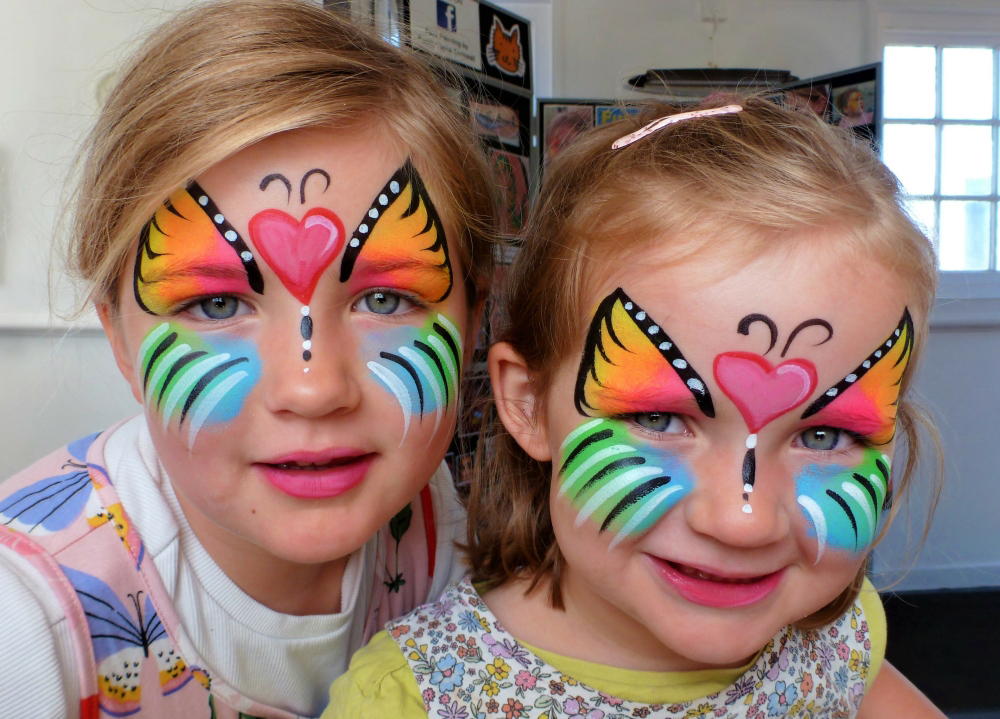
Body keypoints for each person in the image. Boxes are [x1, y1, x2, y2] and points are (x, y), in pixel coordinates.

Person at [328, 98, 947, 717]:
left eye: (825, 437)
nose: (744, 522)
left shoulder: (836, 637)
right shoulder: (412, 699)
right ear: (530, 403)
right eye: (659, 420)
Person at [0, 1, 497, 717]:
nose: (313, 387)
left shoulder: (424, 511)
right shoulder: (28, 629)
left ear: (474, 318)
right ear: (122, 342)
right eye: (215, 305)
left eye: (385, 300)